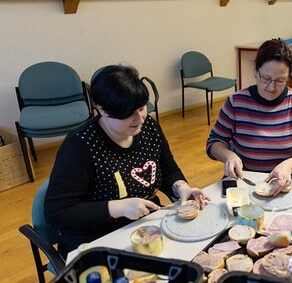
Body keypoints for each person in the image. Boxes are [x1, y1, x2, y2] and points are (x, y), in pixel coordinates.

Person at [45, 65, 209, 257]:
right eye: (128, 113)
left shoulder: (148, 127)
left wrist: (181, 188)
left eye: (142, 108)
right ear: (102, 110)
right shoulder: (80, 146)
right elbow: (58, 214)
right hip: (94, 236)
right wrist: (120, 207)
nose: (139, 119)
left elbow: (168, 170)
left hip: (143, 225)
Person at [207, 39, 292, 195]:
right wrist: (228, 156)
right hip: (246, 182)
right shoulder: (236, 102)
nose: (271, 87)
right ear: (256, 72)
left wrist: (288, 166)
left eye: (280, 81)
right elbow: (214, 142)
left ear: (288, 77)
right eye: (266, 78)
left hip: (285, 183)